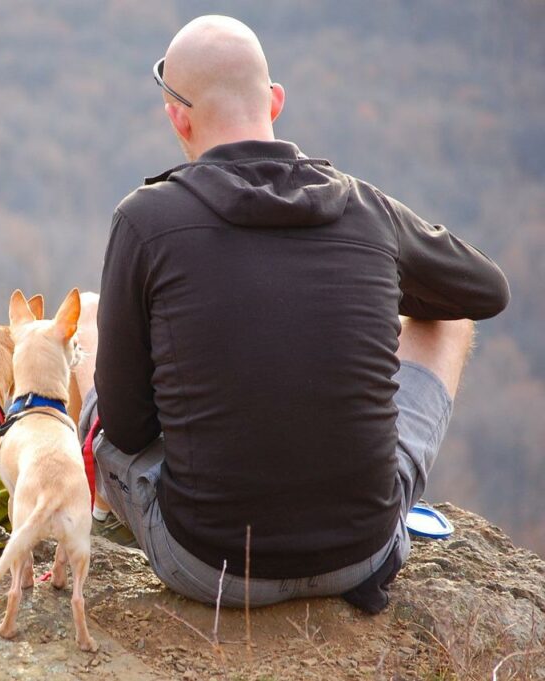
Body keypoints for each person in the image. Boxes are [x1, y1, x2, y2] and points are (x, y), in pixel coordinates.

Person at [77, 15, 510, 613]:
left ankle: (103, 514)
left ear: (178, 115)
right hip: (364, 552)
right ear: (275, 101)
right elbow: (483, 291)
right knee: (450, 316)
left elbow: (125, 429)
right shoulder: (365, 209)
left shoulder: (145, 221)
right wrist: (366, 285)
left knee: (91, 318)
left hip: (208, 564)